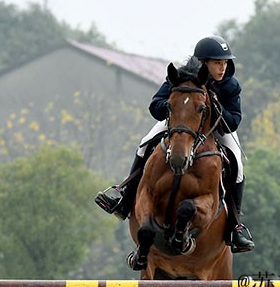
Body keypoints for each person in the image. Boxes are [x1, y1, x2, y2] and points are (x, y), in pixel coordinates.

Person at [95, 35, 255, 253]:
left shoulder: (230, 85)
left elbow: (234, 121)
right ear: (203, 63)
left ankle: (235, 226)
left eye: (225, 62)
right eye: (217, 62)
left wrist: (216, 107)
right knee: (144, 144)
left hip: (215, 129)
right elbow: (155, 105)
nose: (222, 68)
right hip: (181, 124)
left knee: (237, 165)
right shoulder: (179, 77)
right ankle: (124, 197)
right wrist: (173, 106)